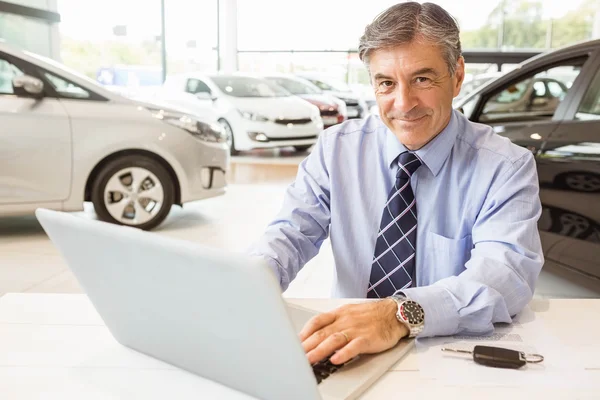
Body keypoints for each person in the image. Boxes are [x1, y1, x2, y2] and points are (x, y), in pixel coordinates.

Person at [248, 2, 543, 367]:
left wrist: (399, 314)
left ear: (458, 75)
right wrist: (249, 287)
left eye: (422, 79)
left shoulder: (506, 167)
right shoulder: (336, 149)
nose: (403, 104)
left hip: (445, 353)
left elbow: (504, 276)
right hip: (349, 349)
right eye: (386, 83)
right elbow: (290, 233)